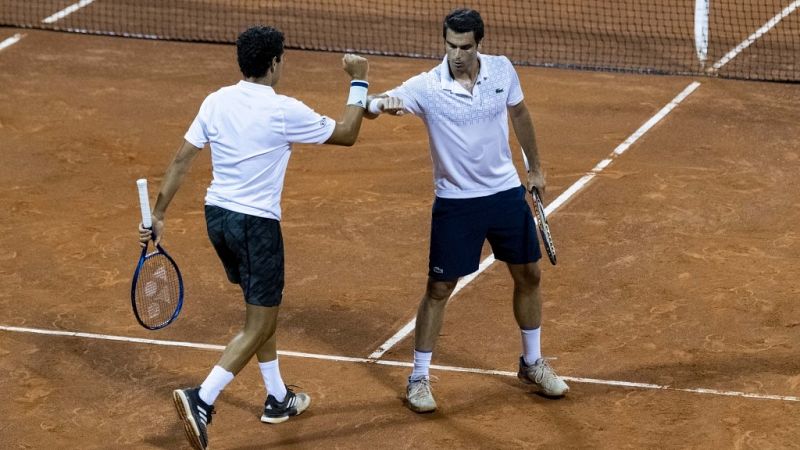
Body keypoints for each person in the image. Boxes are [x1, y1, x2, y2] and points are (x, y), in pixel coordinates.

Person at [137, 26, 370, 449]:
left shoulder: (215, 100)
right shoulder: (283, 110)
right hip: (255, 226)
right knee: (259, 319)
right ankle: (202, 398)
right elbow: (347, 133)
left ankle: (278, 397)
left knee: (261, 308)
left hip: (217, 219)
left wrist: (158, 213)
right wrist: (359, 80)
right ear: (275, 62)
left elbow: (181, 159)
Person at [366, 8, 569, 413]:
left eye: (465, 47)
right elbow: (380, 103)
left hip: (505, 193)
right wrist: (378, 103)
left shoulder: (502, 70)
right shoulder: (426, 86)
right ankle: (418, 378)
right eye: (450, 45)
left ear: (479, 44)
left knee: (528, 274)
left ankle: (532, 363)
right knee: (439, 289)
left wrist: (535, 167)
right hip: (457, 203)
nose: (456, 54)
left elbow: (521, 114)